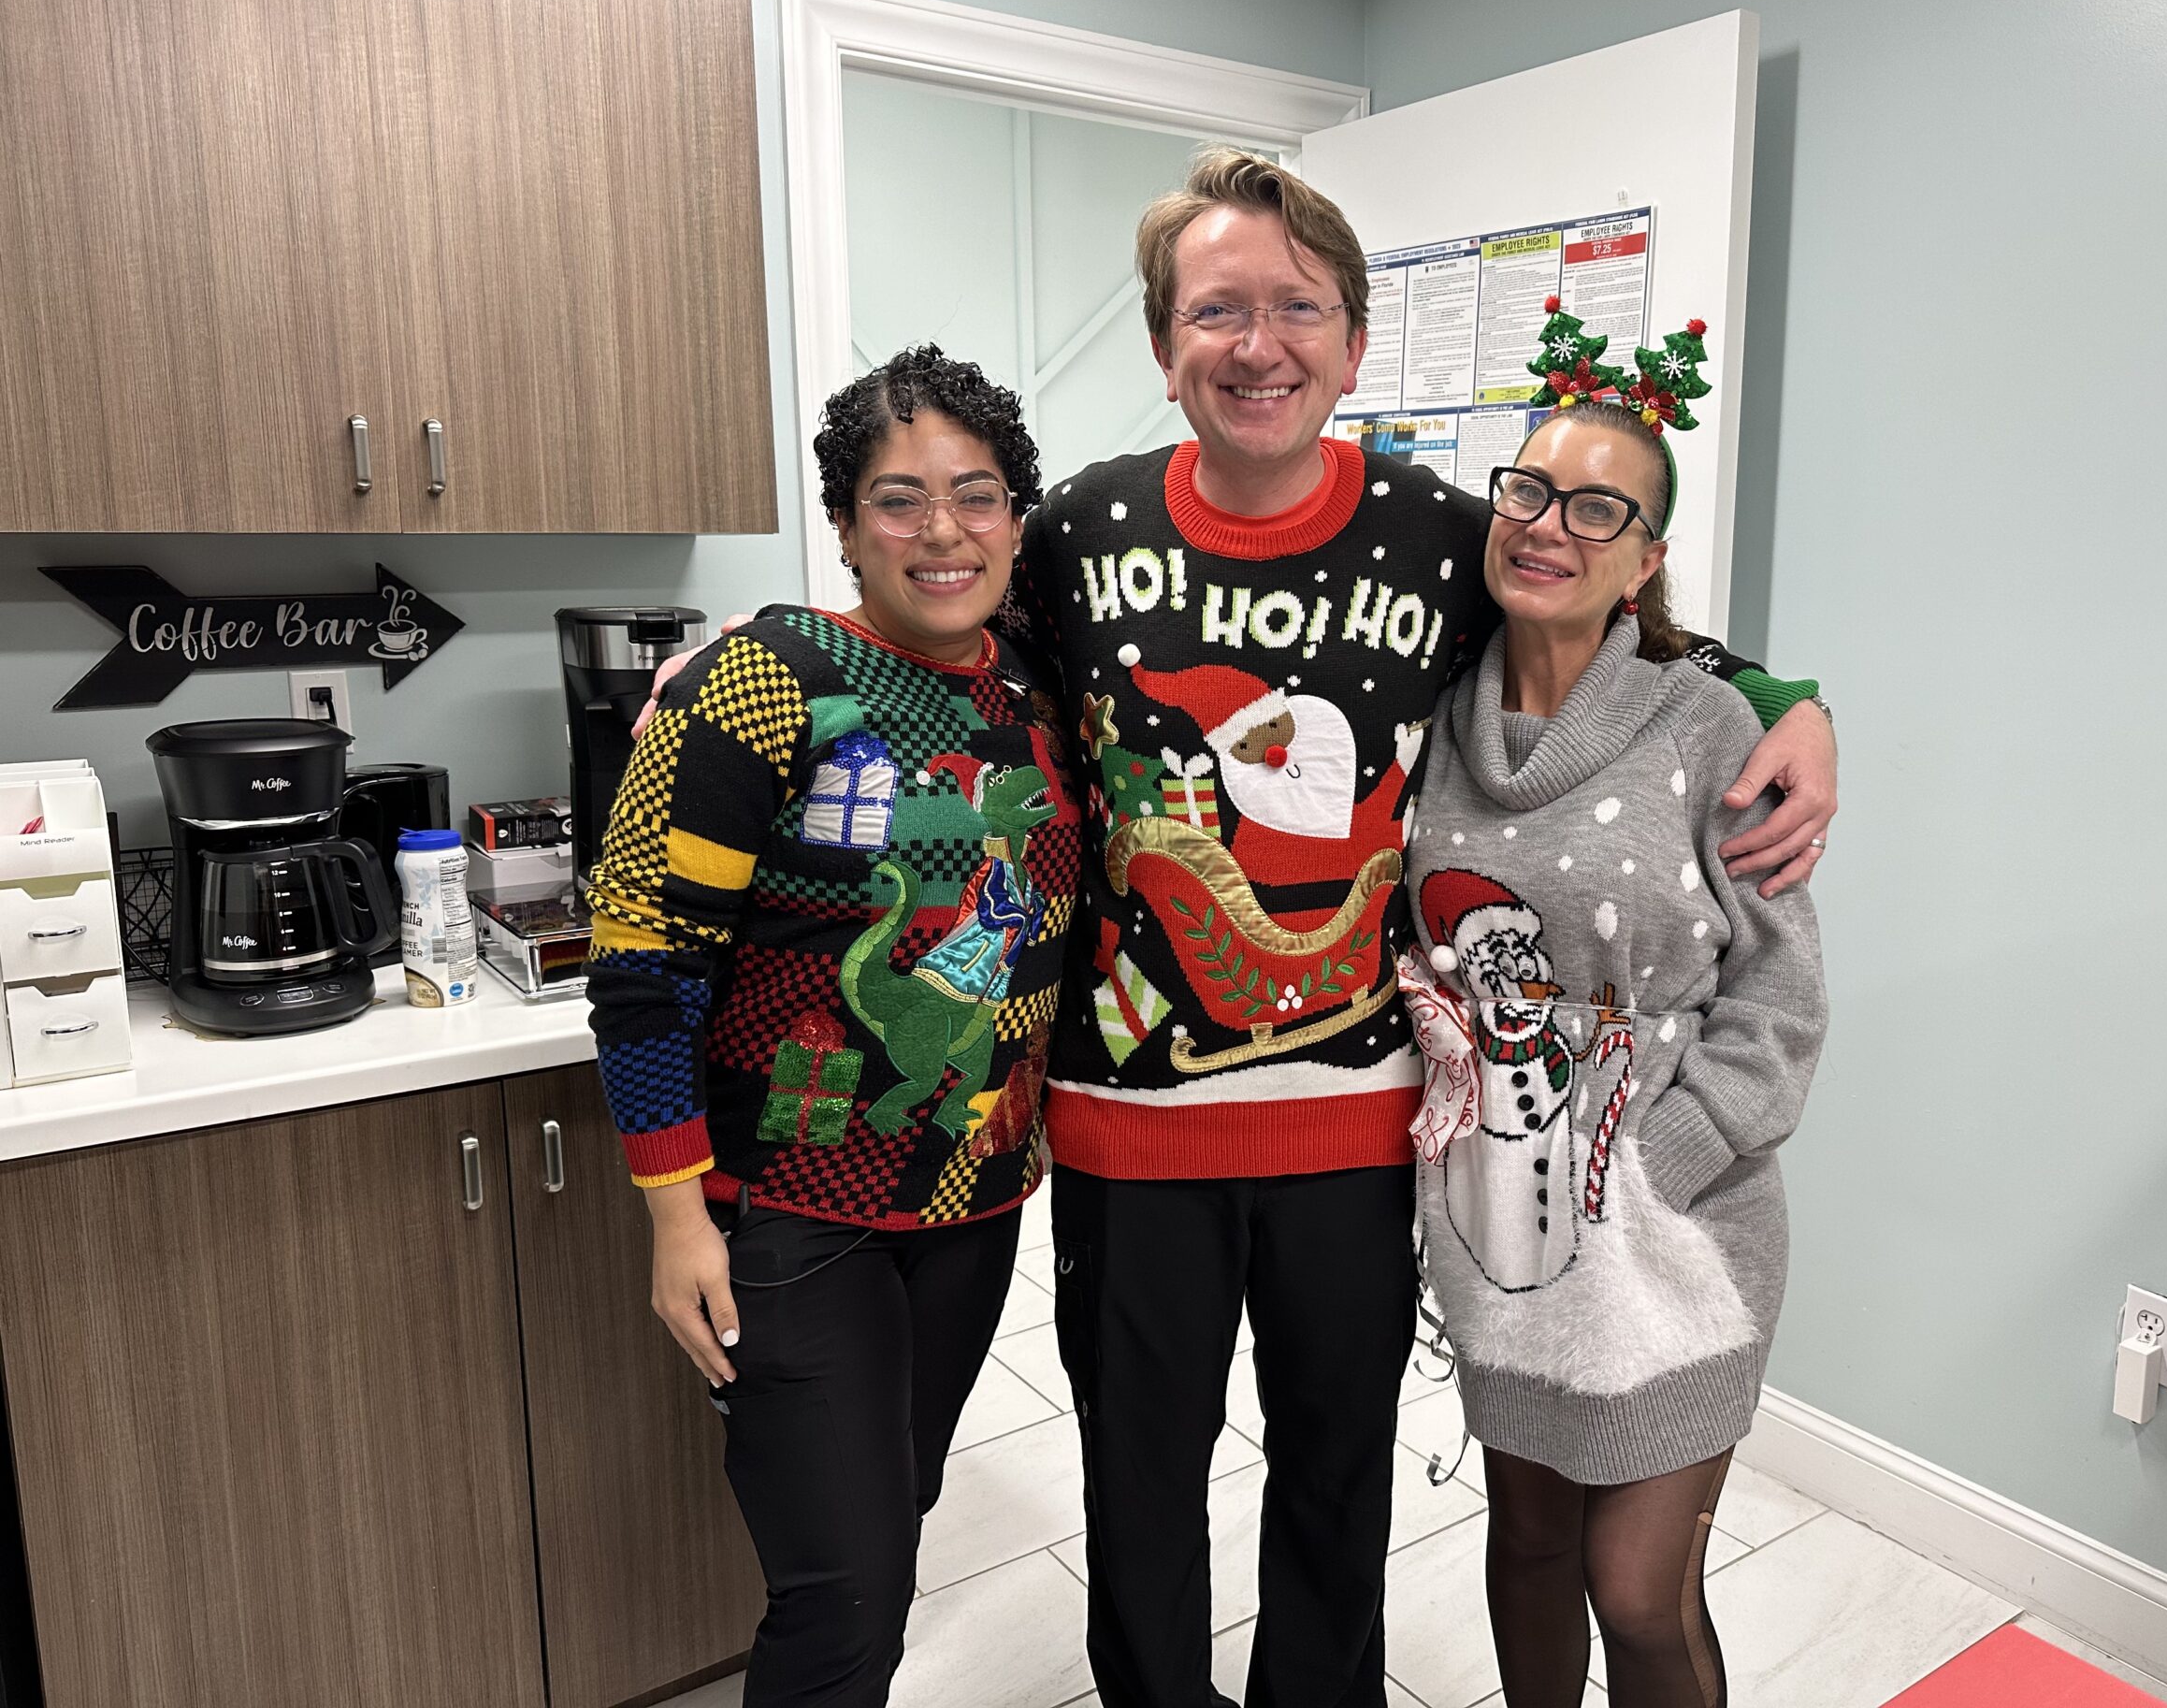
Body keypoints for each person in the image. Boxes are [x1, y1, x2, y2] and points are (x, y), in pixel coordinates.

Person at [999, 149, 1838, 1708]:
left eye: (1297, 308)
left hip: (1353, 1116)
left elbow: (1606, 608)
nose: (1260, 345)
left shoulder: (1444, 532)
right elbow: (951, 650)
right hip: (1130, 1122)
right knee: (1138, 1491)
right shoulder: (1073, 534)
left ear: (1353, 341)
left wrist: (1795, 702)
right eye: (1219, 310)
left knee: (1335, 1485)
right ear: (1162, 341)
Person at [584, 346, 1082, 1708]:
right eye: (898, 499)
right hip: (790, 1218)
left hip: (973, 1204)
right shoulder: (755, 682)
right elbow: (643, 962)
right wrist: (677, 1214)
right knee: (844, 1600)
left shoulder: (1036, 690)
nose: (942, 533)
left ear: (1018, 519)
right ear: (847, 521)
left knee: (894, 1519)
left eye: (977, 497)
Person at [1395, 307, 1828, 1708]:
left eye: (1600, 509)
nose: (1550, 526)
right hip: (1501, 1204)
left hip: (1677, 1217)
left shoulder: (1711, 727)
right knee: (1524, 1540)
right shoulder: (1431, 713)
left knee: (1641, 1590)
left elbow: (1780, 994)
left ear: (1645, 560)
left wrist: (1667, 1160)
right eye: (1528, 490)